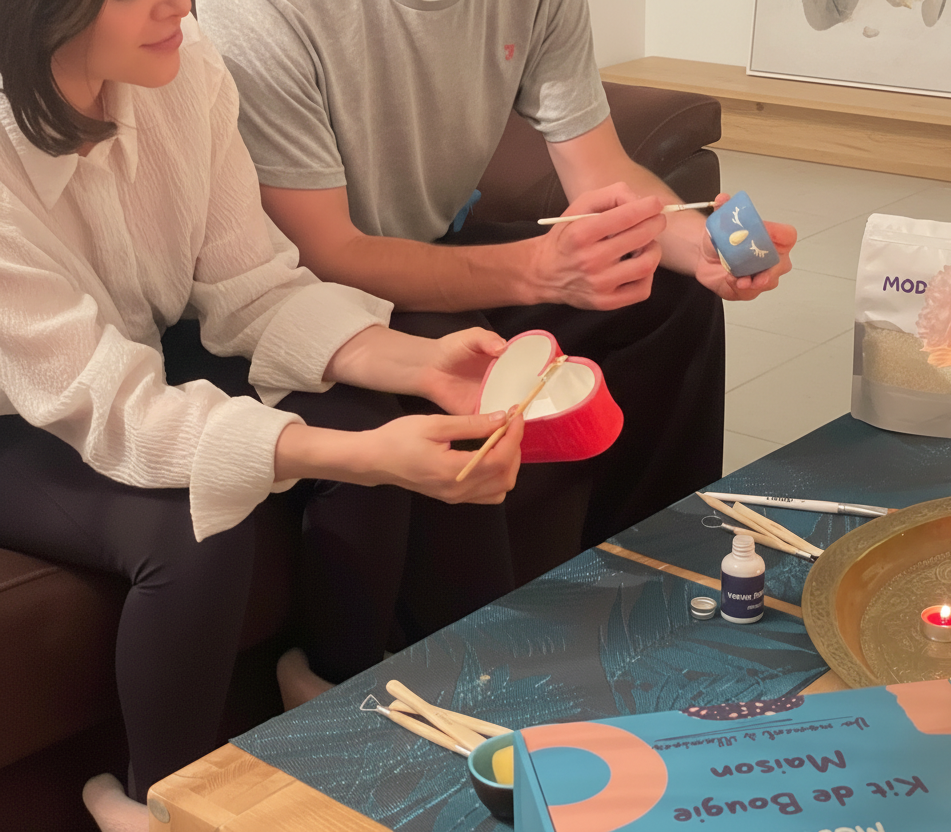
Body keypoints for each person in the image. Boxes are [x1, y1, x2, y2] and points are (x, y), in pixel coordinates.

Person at [0, 1, 523, 829]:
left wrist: (420, 363)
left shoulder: (182, 65)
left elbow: (251, 285)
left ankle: (335, 696)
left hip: (130, 352)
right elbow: (113, 406)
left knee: (362, 415)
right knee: (198, 528)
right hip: (20, 408)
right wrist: (362, 457)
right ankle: (160, 811)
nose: (183, 4)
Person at [197, 0, 798, 593]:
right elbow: (328, 252)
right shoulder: (263, 13)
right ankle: (491, 637)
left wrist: (701, 246)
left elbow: (599, 170)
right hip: (308, 291)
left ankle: (662, 572)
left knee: (666, 290)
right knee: (468, 379)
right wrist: (538, 271)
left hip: (432, 243)